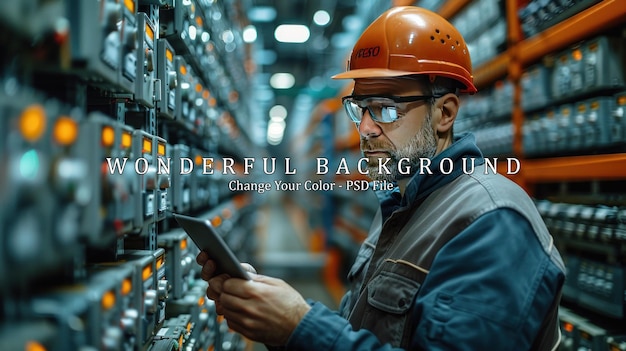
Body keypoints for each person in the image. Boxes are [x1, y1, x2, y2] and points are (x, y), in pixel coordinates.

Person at [196, 6, 565, 350]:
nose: (366, 129)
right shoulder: (399, 204)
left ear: (445, 114)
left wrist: (300, 326)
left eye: (385, 109)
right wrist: (277, 309)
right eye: (360, 109)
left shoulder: (493, 223)